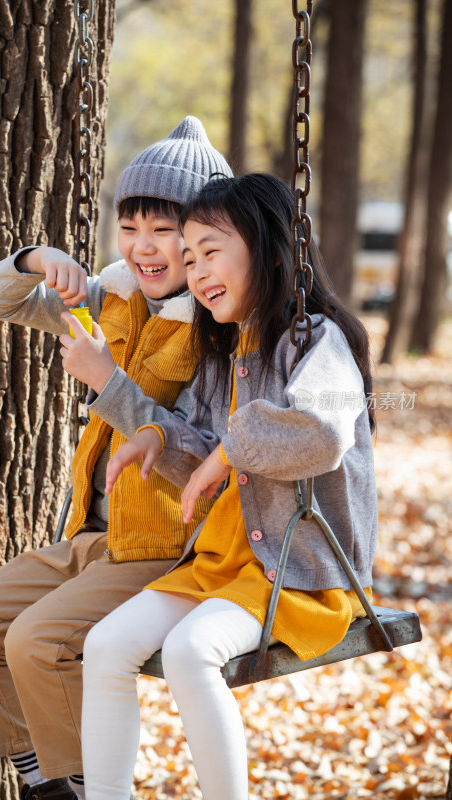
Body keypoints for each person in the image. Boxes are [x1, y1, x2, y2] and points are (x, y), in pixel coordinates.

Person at [0, 117, 233, 800]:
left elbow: (207, 464)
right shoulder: (113, 294)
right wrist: (35, 259)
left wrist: (107, 383)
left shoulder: (219, 328)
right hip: (93, 538)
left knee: (35, 642)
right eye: (131, 227)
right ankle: (45, 781)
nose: (146, 247)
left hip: (168, 547)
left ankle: (86, 785)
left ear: (206, 237)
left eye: (166, 229)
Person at [81, 173, 379, 800]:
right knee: (106, 644)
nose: (196, 269)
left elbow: (322, 432)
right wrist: (159, 438)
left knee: (191, 652)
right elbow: (205, 460)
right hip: (221, 565)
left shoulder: (315, 341)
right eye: (188, 258)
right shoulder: (225, 354)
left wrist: (228, 449)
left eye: (210, 251)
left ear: (272, 250)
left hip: (300, 571)